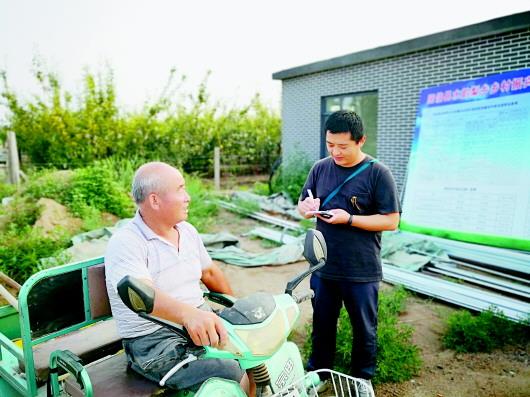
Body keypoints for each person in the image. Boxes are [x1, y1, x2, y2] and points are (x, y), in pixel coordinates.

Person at [105, 161, 253, 395]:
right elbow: (143, 294)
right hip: (155, 341)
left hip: (200, 322)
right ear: (154, 200)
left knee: (256, 349)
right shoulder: (126, 242)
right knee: (230, 370)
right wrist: (188, 315)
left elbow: (210, 272)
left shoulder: (187, 230)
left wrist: (239, 312)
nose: (188, 197)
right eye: (180, 189)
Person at [297, 110, 401, 394]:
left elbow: (392, 220)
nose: (335, 152)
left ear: (361, 141)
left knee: (364, 328)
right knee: (322, 324)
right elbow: (302, 203)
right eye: (330, 144)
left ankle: (362, 378)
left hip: (361, 268)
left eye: (343, 146)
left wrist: (350, 219)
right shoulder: (320, 168)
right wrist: (305, 209)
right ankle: (319, 373)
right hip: (324, 265)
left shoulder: (378, 173)